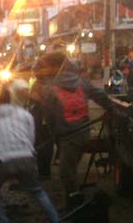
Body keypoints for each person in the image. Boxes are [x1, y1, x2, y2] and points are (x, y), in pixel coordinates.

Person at [0, 80, 68, 223]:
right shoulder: (25, 114)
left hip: (2, 161)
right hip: (26, 158)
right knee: (38, 191)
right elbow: (31, 139)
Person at [36, 52, 112, 207]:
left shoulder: (48, 89)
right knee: (69, 169)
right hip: (83, 133)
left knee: (66, 173)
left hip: (67, 136)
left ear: (54, 67)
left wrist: (55, 135)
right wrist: (111, 108)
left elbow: (49, 117)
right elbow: (100, 96)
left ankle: (75, 206)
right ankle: (73, 200)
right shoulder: (81, 82)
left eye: (46, 67)